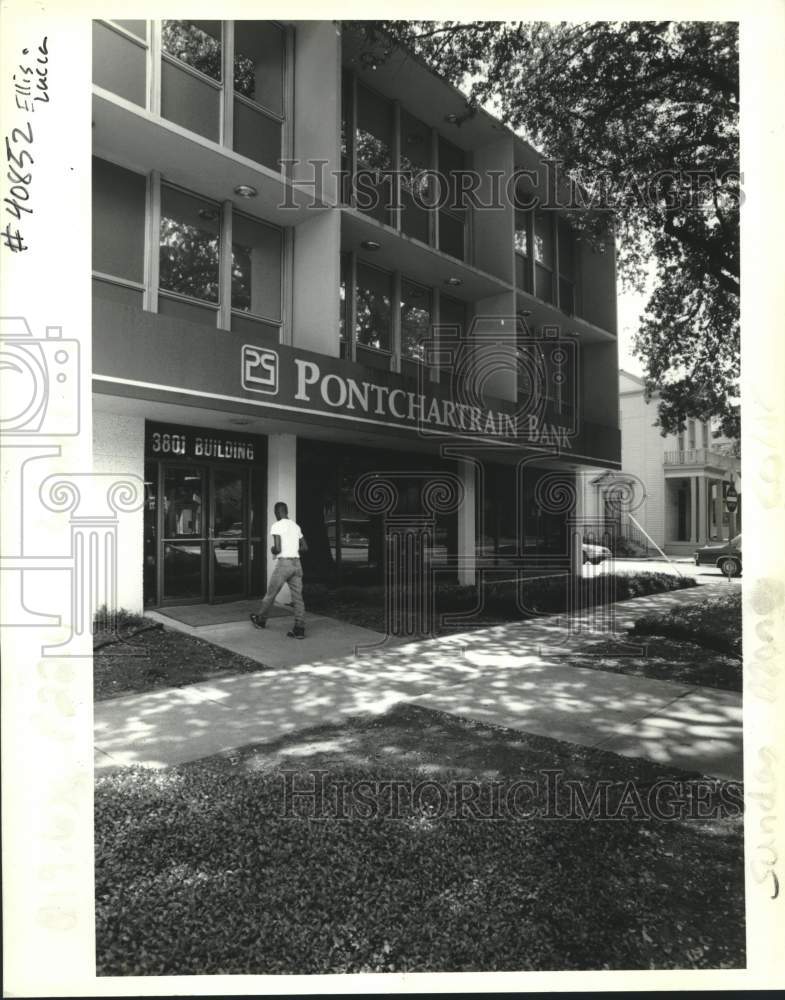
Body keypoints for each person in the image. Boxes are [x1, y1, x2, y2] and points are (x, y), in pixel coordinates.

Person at [250, 501, 307, 638]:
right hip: (297, 564)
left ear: (277, 512)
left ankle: (260, 620)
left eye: (275, 512)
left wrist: (272, 549)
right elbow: (305, 547)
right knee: (298, 598)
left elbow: (277, 548)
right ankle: (299, 629)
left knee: (271, 593)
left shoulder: (277, 525)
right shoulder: (296, 526)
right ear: (286, 511)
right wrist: (292, 549)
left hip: (284, 565)